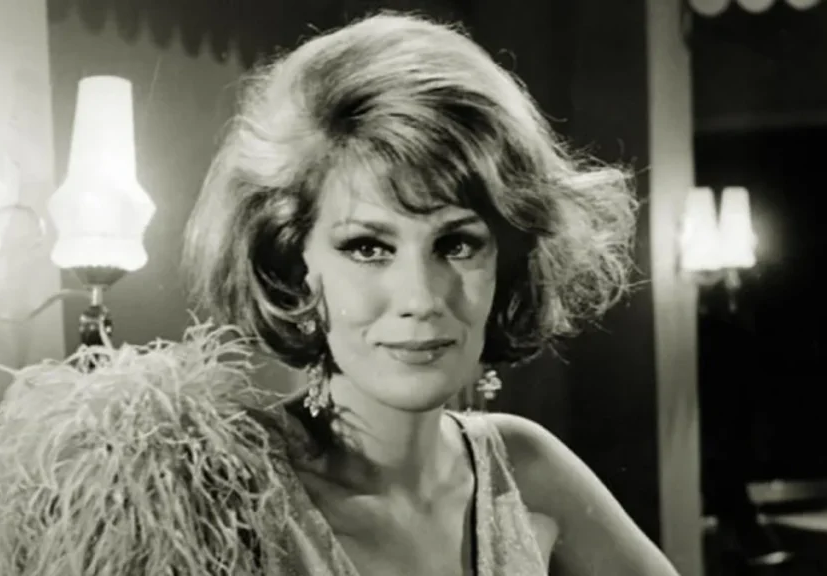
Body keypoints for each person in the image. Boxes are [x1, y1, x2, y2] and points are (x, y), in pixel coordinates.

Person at [179, 11, 680, 576]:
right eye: (368, 247)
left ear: (507, 260)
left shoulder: (525, 468)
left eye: (457, 244)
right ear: (294, 264)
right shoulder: (222, 499)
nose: (421, 297)